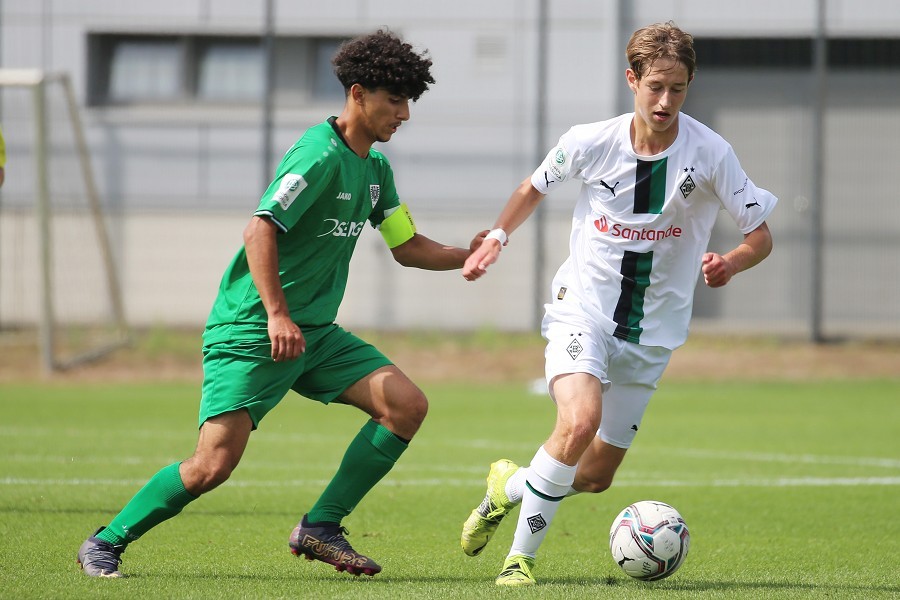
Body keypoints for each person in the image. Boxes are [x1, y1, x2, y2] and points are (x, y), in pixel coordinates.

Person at [77, 29, 485, 579]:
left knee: (406, 406)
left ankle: (320, 526)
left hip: (314, 334)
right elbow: (259, 229)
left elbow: (407, 246)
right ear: (358, 93)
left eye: (409, 101)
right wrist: (275, 313)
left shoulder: (376, 171)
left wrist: (467, 255)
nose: (404, 113)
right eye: (395, 100)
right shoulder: (318, 154)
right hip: (253, 329)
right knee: (210, 466)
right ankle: (107, 540)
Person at [459, 21, 776, 586]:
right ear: (631, 79)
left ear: (689, 86)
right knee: (580, 421)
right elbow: (532, 187)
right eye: (655, 86)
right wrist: (496, 238)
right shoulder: (591, 141)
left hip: (654, 332)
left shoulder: (710, 152)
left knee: (596, 475)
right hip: (582, 308)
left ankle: (507, 487)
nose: (665, 100)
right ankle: (519, 561)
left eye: (677, 89)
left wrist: (730, 262)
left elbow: (761, 235)